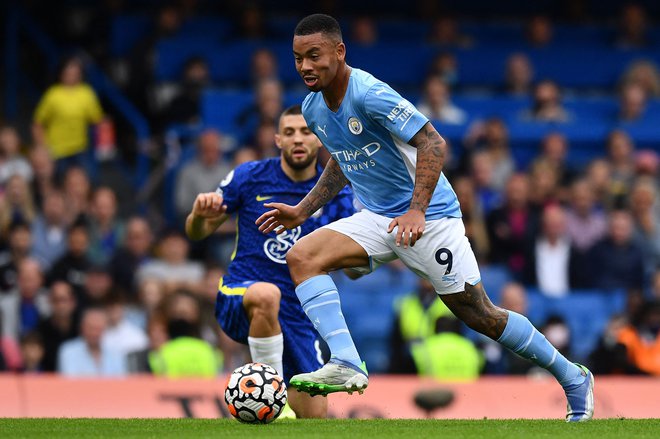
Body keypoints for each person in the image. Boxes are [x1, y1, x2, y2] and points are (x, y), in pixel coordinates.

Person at [256, 14, 594, 422]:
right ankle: (346, 362)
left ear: (339, 52)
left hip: (430, 216)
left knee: (480, 315)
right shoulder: (313, 108)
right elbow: (343, 161)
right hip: (379, 216)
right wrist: (302, 209)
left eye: (314, 55)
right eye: (298, 59)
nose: (306, 66)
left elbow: (433, 141)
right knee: (302, 257)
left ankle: (573, 378)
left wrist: (417, 208)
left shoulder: (369, 94)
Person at [185, 104, 355, 419]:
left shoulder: (335, 194)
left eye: (306, 131)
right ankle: (272, 396)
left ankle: (278, 399)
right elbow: (197, 232)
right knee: (267, 294)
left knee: (315, 417)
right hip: (241, 293)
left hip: (299, 314)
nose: (298, 139)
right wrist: (199, 216)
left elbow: (353, 265)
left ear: (319, 138)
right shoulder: (250, 176)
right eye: (289, 132)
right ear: (278, 140)